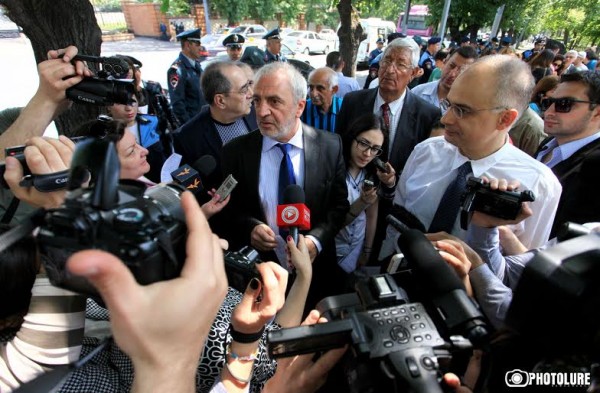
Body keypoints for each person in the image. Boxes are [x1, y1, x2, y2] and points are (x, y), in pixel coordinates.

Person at [379, 55, 562, 260]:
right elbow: (395, 226)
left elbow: (523, 270)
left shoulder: (539, 185)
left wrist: (495, 234)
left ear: (505, 119)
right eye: (449, 104)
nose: (445, 118)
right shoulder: (425, 152)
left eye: (462, 111)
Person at [221, 62, 349, 311]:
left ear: (300, 106)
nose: (262, 111)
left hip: (316, 276)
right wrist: (250, 228)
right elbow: (228, 208)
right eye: (257, 100)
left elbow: (339, 206)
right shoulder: (234, 153)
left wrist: (316, 241)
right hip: (259, 278)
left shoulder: (330, 147)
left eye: (274, 101)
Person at [336, 36, 440, 263]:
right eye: (386, 61)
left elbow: (423, 170)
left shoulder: (427, 115)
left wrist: (393, 181)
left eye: (400, 64)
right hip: (349, 206)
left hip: (395, 210)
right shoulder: (353, 102)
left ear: (414, 73)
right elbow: (339, 152)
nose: (390, 70)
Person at [0, 46, 90, 224]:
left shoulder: (7, 119)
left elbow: (42, 112)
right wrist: (47, 97)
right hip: (20, 244)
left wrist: (65, 77)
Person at [173, 60, 257, 192]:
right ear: (221, 101)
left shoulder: (258, 114)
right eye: (244, 89)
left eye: (249, 85)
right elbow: (189, 188)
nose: (251, 94)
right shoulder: (186, 138)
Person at [533, 70, 600, 237]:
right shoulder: (548, 144)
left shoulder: (595, 167)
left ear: (597, 112)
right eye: (548, 102)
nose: (549, 111)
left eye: (564, 104)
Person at [336, 114, 395, 278]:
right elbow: (333, 222)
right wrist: (361, 202)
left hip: (356, 248)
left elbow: (371, 215)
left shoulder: (371, 174)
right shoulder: (334, 170)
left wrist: (367, 250)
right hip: (332, 249)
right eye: (363, 143)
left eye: (375, 148)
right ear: (351, 137)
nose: (368, 153)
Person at [106, 94, 167, 183]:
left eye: (132, 101)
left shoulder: (154, 122)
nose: (129, 108)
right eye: (120, 103)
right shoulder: (104, 136)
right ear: (108, 106)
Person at [411, 45, 478, 110]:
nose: (452, 74)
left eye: (460, 70)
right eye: (451, 66)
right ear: (445, 62)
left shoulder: (469, 107)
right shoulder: (418, 93)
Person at [167, 28, 208, 125]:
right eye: (197, 44)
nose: (200, 48)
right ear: (187, 45)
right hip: (194, 124)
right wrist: (190, 126)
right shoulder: (177, 70)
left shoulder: (196, 65)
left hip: (204, 120)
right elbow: (177, 104)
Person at [300, 67, 342, 133]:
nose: (314, 93)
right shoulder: (302, 109)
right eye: (311, 88)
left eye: (320, 88)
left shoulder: (344, 109)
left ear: (334, 89)